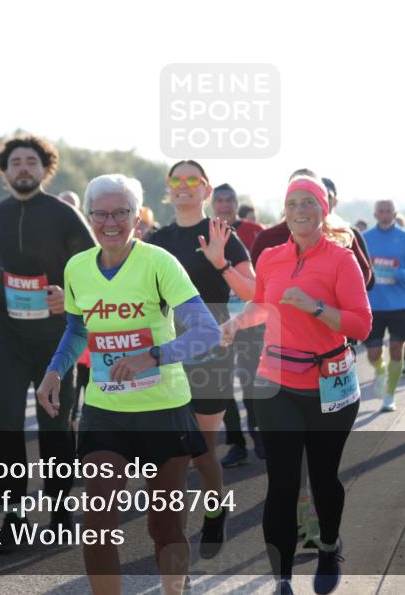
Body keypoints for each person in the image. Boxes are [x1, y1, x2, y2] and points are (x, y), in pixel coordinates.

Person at [36, 174, 219, 595]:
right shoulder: (77, 268)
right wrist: (55, 370)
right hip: (106, 411)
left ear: (137, 217)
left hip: (163, 409)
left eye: (121, 212)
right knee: (97, 523)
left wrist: (152, 355)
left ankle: (176, 588)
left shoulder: (158, 263)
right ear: (89, 217)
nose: (110, 222)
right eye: (100, 214)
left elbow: (206, 332)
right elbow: (77, 331)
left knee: (164, 524)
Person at [221, 176, 371, 595]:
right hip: (277, 385)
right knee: (282, 482)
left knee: (323, 478)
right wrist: (235, 323)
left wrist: (317, 308)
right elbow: (262, 305)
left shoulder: (342, 260)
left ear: (324, 211)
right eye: (293, 203)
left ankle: (327, 547)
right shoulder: (270, 257)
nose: (301, 210)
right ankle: (282, 576)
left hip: (329, 387)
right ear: (284, 212)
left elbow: (361, 324)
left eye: (309, 202)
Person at [0, 134, 96, 550]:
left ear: (45, 169)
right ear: (4, 171)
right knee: (3, 422)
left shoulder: (62, 215)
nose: (23, 168)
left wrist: (68, 295)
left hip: (56, 341)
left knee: (55, 427)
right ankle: (13, 515)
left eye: (31, 161)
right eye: (16, 162)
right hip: (9, 337)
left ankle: (60, 509)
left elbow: (91, 263)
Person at [147, 160, 254, 558]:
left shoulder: (223, 234)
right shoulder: (157, 240)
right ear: (169, 189)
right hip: (168, 351)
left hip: (212, 350)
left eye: (193, 179)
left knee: (202, 450)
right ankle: (174, 539)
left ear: (206, 189)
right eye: (177, 180)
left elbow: (254, 290)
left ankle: (215, 508)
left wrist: (219, 263)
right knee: (169, 452)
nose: (184, 186)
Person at [210, 182, 266, 468]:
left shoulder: (255, 231)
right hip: (217, 320)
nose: (224, 205)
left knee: (249, 378)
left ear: (235, 203)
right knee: (221, 383)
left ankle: (258, 434)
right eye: (218, 200)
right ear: (212, 204)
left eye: (228, 200)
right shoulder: (203, 232)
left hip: (249, 316)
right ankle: (236, 443)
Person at [362, 201, 405, 411]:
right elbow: (353, 265)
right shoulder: (365, 238)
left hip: (398, 304)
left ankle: (389, 395)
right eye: (380, 210)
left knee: (397, 349)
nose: (384, 214)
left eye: (388, 211)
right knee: (372, 353)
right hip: (374, 304)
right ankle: (380, 372)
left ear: (395, 213)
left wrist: (401, 275)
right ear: (375, 213)